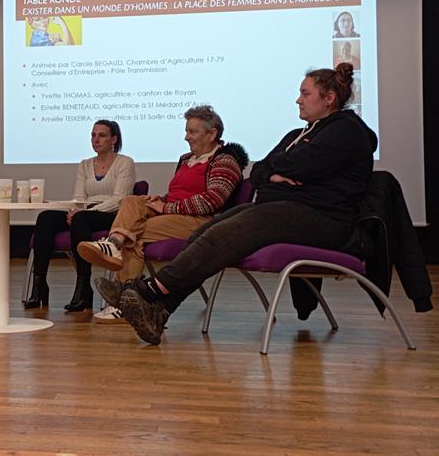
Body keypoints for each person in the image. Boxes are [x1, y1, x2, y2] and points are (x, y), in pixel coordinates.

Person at [94, 63, 376, 345]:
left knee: (232, 230)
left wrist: (282, 172)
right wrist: (277, 174)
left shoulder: (346, 130)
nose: (298, 99)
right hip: (287, 211)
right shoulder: (296, 135)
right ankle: (160, 311)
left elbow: (300, 165)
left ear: (328, 98)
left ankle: (150, 290)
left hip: (326, 220)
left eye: (305, 93)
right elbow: (261, 171)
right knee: (206, 232)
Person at [78, 106, 248, 321]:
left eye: (192, 132)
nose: (186, 137)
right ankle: (114, 244)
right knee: (132, 201)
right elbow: (178, 194)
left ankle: (124, 298)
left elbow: (212, 201)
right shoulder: (186, 159)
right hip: (173, 214)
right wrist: (161, 200)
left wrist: (167, 207)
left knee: (134, 233)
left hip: (200, 222)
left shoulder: (225, 161)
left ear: (212, 133)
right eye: (186, 131)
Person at [24, 120, 136, 314]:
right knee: (46, 217)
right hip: (84, 213)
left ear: (114, 139)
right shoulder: (85, 165)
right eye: (93, 135)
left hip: (111, 214)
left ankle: (83, 287)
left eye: (102, 135)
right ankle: (39, 285)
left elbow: (119, 200)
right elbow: (79, 198)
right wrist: (73, 210)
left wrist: (85, 213)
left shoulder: (125, 162)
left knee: (80, 219)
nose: (96, 140)